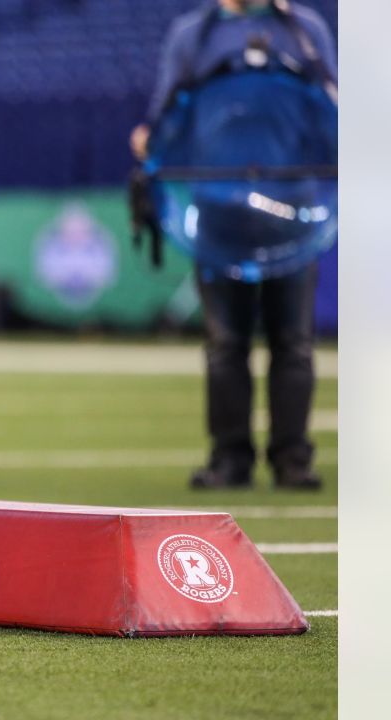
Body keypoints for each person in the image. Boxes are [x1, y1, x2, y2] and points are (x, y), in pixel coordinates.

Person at [130, 0, 336, 491]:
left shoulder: (305, 30)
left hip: (294, 210)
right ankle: (230, 460)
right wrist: (148, 142)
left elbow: (331, 112)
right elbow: (167, 118)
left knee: (294, 342)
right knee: (226, 345)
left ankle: (293, 460)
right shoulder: (192, 36)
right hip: (218, 211)